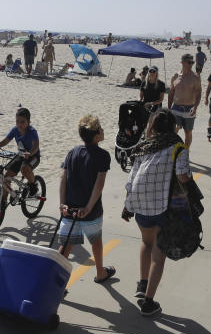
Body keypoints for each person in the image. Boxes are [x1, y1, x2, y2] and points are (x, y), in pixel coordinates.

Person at [121, 109, 191, 316]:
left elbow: (132, 178)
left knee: (146, 242)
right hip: (162, 206)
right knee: (160, 253)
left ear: (151, 127)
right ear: (173, 127)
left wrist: (128, 204)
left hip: (139, 202)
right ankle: (149, 302)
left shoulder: (145, 147)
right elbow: (183, 176)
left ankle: (142, 285)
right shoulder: (178, 147)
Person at [58, 115, 114, 284]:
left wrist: (62, 203)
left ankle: (55, 281)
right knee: (96, 242)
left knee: (65, 247)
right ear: (96, 135)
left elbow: (63, 179)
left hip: (70, 209)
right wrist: (89, 207)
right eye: (101, 129)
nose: (103, 131)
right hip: (90, 212)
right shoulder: (103, 156)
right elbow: (99, 185)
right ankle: (100, 272)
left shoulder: (72, 152)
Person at [0, 107, 41, 199]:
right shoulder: (15, 130)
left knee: (24, 169)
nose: (19, 124)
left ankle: (33, 186)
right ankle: (3, 201)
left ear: (28, 122)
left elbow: (36, 146)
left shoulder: (32, 132)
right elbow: (6, 140)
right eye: (17, 121)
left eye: (22, 122)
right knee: (6, 178)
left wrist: (30, 153)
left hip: (34, 156)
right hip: (21, 155)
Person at [167, 53, 202, 150]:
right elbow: (171, 93)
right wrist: (169, 108)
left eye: (192, 62)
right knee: (173, 131)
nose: (191, 64)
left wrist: (195, 108)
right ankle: (172, 152)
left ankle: (185, 153)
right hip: (176, 107)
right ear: (182, 62)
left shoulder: (195, 77)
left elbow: (199, 93)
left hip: (189, 109)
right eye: (189, 62)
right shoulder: (175, 76)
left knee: (188, 132)